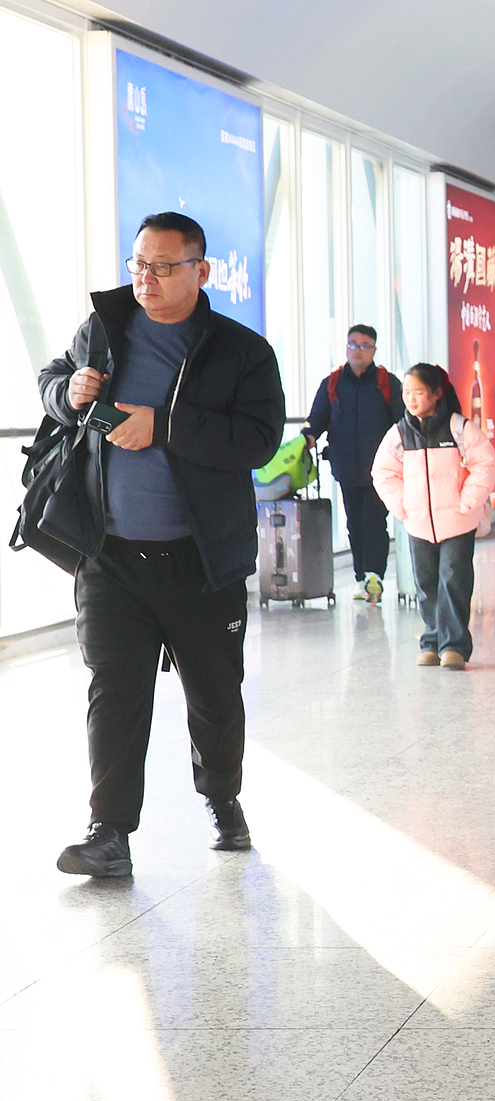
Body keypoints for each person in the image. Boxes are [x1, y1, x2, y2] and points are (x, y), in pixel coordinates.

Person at [37, 211, 286, 876]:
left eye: (163, 266)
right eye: (138, 264)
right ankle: (109, 832)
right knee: (114, 690)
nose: (145, 277)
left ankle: (223, 796)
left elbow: (258, 440)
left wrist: (166, 427)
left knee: (214, 694)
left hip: (199, 561)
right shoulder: (104, 330)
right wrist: (68, 392)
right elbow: (51, 380)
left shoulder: (241, 351)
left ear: (200, 273)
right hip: (110, 554)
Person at [371, 364, 493, 670]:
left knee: (453, 579)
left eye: (419, 393)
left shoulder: (457, 428)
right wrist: (403, 506)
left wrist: (466, 502)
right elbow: (383, 472)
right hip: (418, 523)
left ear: (437, 394)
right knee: (425, 583)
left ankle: (454, 646)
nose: (411, 400)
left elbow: (485, 463)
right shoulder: (400, 433)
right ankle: (432, 640)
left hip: (457, 521)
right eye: (406, 393)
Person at [302, 324, 403, 604]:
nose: (356, 350)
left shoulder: (387, 382)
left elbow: (402, 422)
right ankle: (361, 577)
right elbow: (318, 417)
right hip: (346, 466)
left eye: (363, 345)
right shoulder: (333, 382)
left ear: (373, 350)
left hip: (381, 469)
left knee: (374, 521)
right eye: (352, 344)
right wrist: (308, 437)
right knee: (354, 523)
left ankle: (375, 576)